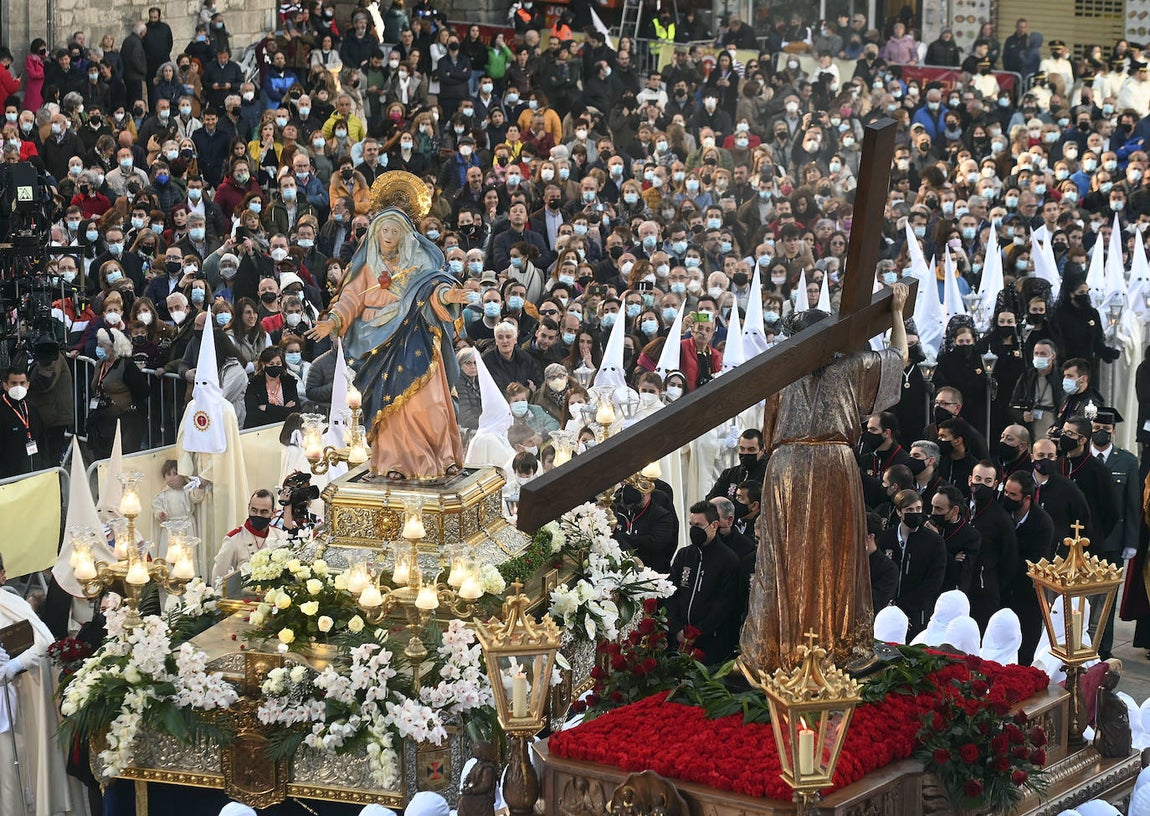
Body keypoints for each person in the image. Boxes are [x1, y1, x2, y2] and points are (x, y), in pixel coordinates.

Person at [739, 283, 909, 675]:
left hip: (786, 467)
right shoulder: (853, 365)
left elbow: (767, 433)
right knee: (834, 552)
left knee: (787, 555)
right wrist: (897, 312)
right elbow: (899, 357)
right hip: (833, 462)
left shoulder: (780, 373)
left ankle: (781, 648)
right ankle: (832, 644)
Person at [307, 181, 473, 480]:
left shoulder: (419, 265)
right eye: (384, 231)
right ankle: (394, 463)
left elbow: (435, 290)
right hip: (375, 344)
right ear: (375, 233)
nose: (389, 237)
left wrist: (449, 297)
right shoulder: (367, 267)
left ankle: (442, 456)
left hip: (415, 339)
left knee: (430, 405)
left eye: (395, 231)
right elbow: (351, 299)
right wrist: (333, 321)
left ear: (405, 235)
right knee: (391, 411)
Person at [666, 501, 741, 664]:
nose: (693, 530)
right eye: (691, 524)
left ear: (714, 525)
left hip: (711, 643)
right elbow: (671, 591)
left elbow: (724, 604)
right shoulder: (684, 555)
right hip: (680, 638)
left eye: (698, 525)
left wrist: (698, 631)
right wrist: (677, 628)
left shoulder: (728, 560)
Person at [878, 488, 947, 638]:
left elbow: (933, 582)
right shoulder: (885, 538)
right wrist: (887, 604)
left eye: (918, 509)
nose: (915, 513)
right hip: (886, 611)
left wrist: (903, 608)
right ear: (899, 512)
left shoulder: (934, 542)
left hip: (917, 614)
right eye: (909, 509)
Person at [211, 489, 290, 582]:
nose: (258, 515)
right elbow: (218, 580)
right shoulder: (234, 539)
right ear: (248, 508)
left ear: (273, 513)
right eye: (254, 510)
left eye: (264, 512)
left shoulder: (279, 536)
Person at [0, 366, 47, 478]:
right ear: (5, 385)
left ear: (28, 385)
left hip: (35, 472)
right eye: (14, 383)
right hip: (9, 478)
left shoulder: (32, 408)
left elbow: (42, 441)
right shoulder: (2, 410)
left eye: (22, 383)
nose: (18, 387)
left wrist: (45, 467)